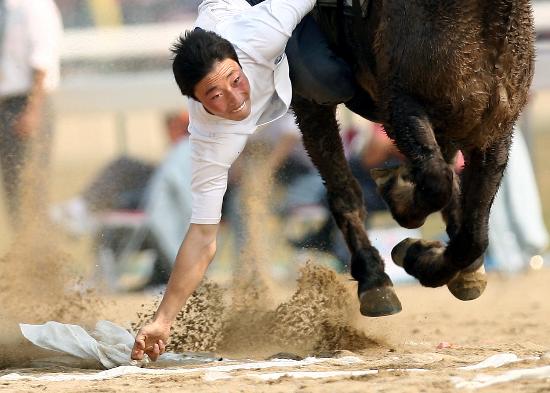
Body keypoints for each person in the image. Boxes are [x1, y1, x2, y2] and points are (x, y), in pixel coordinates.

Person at [131, 0, 363, 361]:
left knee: (330, 78)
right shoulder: (209, 138)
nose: (236, 99)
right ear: (196, 101)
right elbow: (204, 236)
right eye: (215, 96)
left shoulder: (262, 33)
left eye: (235, 81)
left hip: (251, 9)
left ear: (239, 63)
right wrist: (163, 320)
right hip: (227, 19)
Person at [0, 0, 63, 228]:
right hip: (7, 105)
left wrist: (33, 110)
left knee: (31, 187)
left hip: (27, 103)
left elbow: (42, 61)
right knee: (14, 190)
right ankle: (21, 251)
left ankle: (37, 253)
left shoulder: (36, 7)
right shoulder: (8, 9)